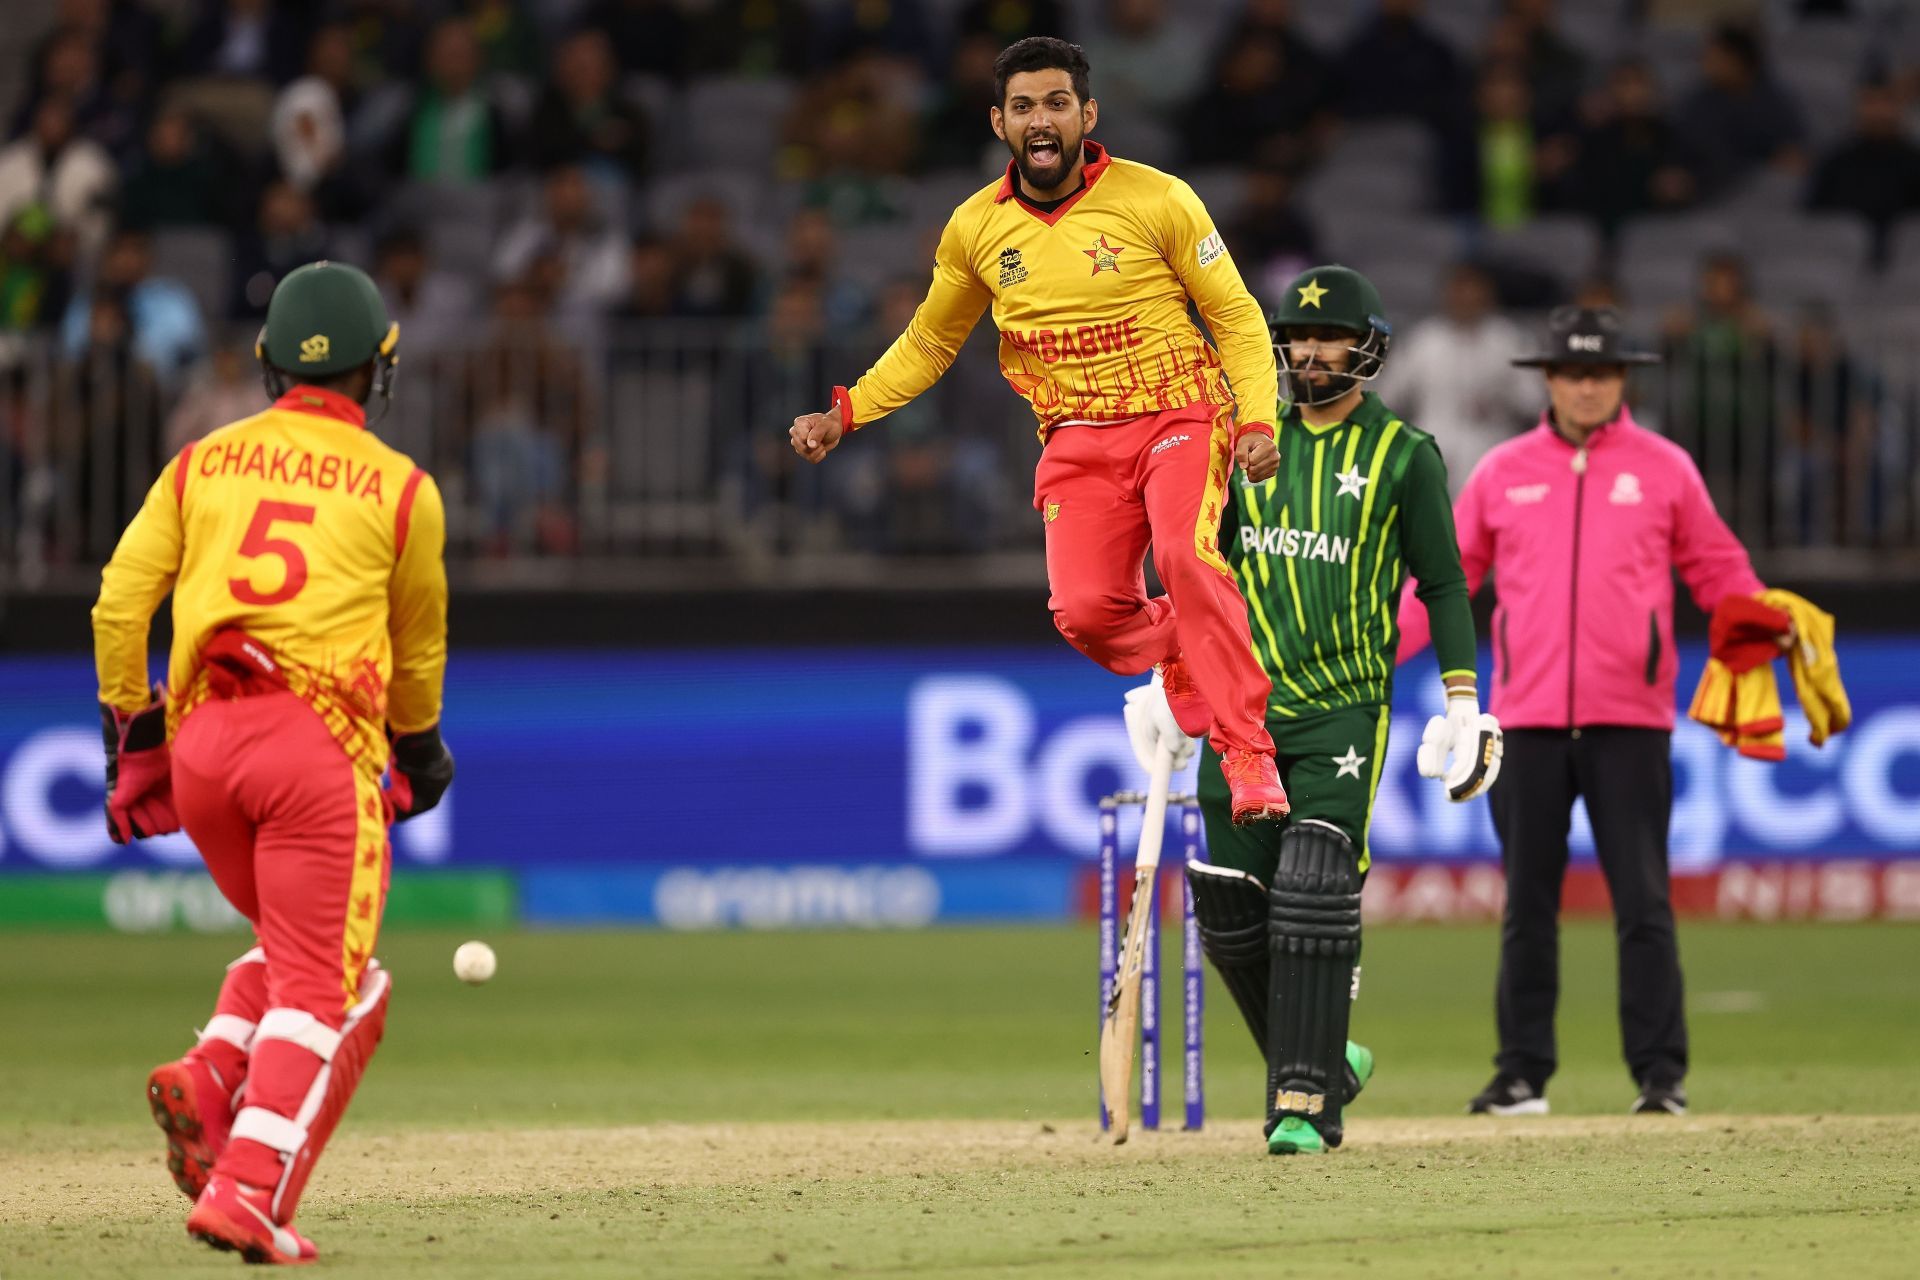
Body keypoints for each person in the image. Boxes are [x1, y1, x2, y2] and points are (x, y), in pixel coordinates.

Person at [787, 36, 1291, 820]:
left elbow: (1234, 314)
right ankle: (1191, 645)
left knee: (1184, 557)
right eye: (1024, 106)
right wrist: (845, 410)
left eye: (1057, 102)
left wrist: (1258, 417)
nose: (1041, 119)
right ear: (999, 123)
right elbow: (930, 340)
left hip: (1178, 414)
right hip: (1076, 438)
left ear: (1086, 114)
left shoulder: (1158, 198)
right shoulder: (974, 228)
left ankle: (1249, 755)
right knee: (1085, 614)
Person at [90, 262, 452, 1263]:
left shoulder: (203, 461)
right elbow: (418, 651)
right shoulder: (402, 488)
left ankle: (210, 1075)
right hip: (317, 747)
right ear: (380, 372)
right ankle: (249, 1191)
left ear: (266, 366)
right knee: (336, 992)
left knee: (293, 955)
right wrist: (418, 751)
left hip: (206, 747)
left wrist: (137, 737)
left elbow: (121, 604)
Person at [1126, 264, 1501, 1155]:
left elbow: (1444, 583)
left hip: (1342, 705)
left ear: (1366, 350)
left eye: (1329, 337)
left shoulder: (1405, 456)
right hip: (1239, 709)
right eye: (1295, 337)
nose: (1310, 351)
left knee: (1314, 889)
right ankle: (1331, 1061)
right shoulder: (1235, 445)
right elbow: (1189, 572)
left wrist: (1462, 699)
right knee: (1230, 909)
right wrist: (1162, 680)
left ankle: (1302, 1104)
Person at [1397, 306, 1768, 1118]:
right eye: (1573, 373)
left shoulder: (1665, 468)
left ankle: (1660, 1076)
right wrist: (1377, 651)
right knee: (1526, 903)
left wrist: (1764, 630)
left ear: (1622, 378)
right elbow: (1445, 580)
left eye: (1601, 373)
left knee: (1642, 901)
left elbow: (1718, 567)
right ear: (1549, 381)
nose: (1588, 386)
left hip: (1628, 719)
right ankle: (1522, 1072)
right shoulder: (1501, 471)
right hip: (1523, 719)